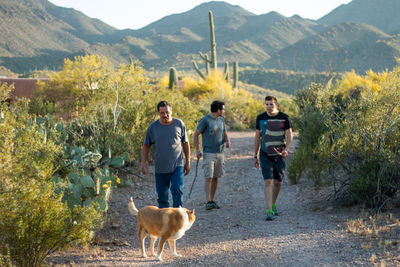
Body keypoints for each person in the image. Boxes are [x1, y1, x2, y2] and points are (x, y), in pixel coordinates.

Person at [141, 101, 191, 208]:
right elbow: (146, 145)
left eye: (167, 112)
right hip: (160, 168)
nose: (165, 115)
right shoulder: (153, 127)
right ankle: (165, 221)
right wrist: (143, 162)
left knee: (176, 189)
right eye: (162, 113)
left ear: (171, 110)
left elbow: (185, 143)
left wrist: (188, 161)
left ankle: (178, 218)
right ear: (158, 113)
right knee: (162, 197)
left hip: (177, 165)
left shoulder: (179, 124)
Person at [254, 96, 293, 221]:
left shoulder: (284, 117)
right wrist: (255, 155)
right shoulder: (260, 118)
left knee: (277, 182)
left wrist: (286, 149)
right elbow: (257, 137)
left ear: (276, 105)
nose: (269, 107)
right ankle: (269, 210)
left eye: (271, 104)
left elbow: (289, 135)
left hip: (280, 155)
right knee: (268, 181)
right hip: (265, 154)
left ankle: (273, 204)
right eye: (267, 104)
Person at [193, 100, 231, 210]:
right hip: (208, 152)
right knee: (208, 176)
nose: (224, 111)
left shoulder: (221, 120)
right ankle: (208, 201)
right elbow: (196, 134)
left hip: (220, 153)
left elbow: (224, 133)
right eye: (223, 109)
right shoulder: (205, 120)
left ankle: (212, 200)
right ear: (218, 110)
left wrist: (227, 141)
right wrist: (197, 149)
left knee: (216, 177)